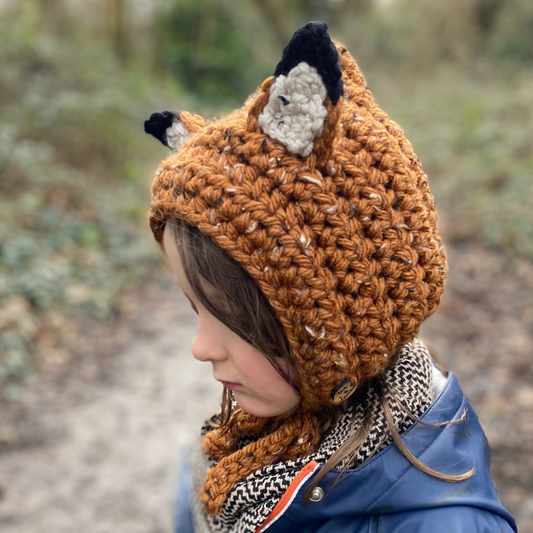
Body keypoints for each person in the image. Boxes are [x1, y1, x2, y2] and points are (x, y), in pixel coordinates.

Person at [147, 21, 517, 533]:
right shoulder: (248, 440)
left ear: (336, 327)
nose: (201, 347)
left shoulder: (443, 526)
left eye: (232, 317)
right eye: (195, 308)